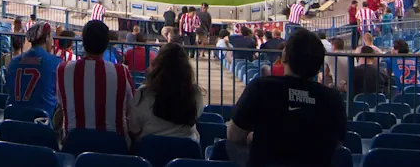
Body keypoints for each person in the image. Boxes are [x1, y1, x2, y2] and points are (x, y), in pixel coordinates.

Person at [226, 28, 346, 167]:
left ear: (284, 56)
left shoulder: (261, 88)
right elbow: (338, 143)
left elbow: (233, 135)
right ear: (319, 64)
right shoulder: (333, 99)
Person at [57, 20, 135, 137]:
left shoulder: (63, 69)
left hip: (73, 145)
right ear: (106, 43)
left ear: (83, 42)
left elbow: (61, 102)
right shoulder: (122, 71)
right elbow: (131, 109)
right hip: (114, 146)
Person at [128, 43, 204, 143]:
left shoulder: (143, 94)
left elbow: (134, 128)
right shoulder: (195, 94)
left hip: (149, 153)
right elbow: (197, 115)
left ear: (157, 65)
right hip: (187, 151)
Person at [5, 22, 61, 118]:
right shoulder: (56, 62)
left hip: (14, 119)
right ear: (47, 38)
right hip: (42, 122)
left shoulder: (14, 62)